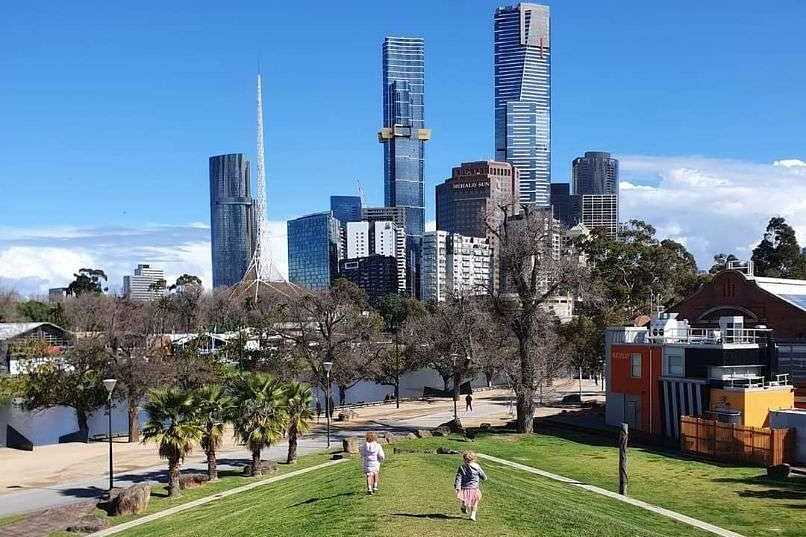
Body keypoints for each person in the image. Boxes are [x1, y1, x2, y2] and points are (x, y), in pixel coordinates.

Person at [455, 451, 487, 521]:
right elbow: (483, 475)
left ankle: (463, 505)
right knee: (475, 502)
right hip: (474, 488)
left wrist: (457, 487)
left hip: (465, 487)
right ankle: (473, 515)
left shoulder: (462, 467)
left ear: (464, 459)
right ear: (474, 459)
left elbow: (458, 478)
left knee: (464, 497)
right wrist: (484, 478)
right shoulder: (477, 467)